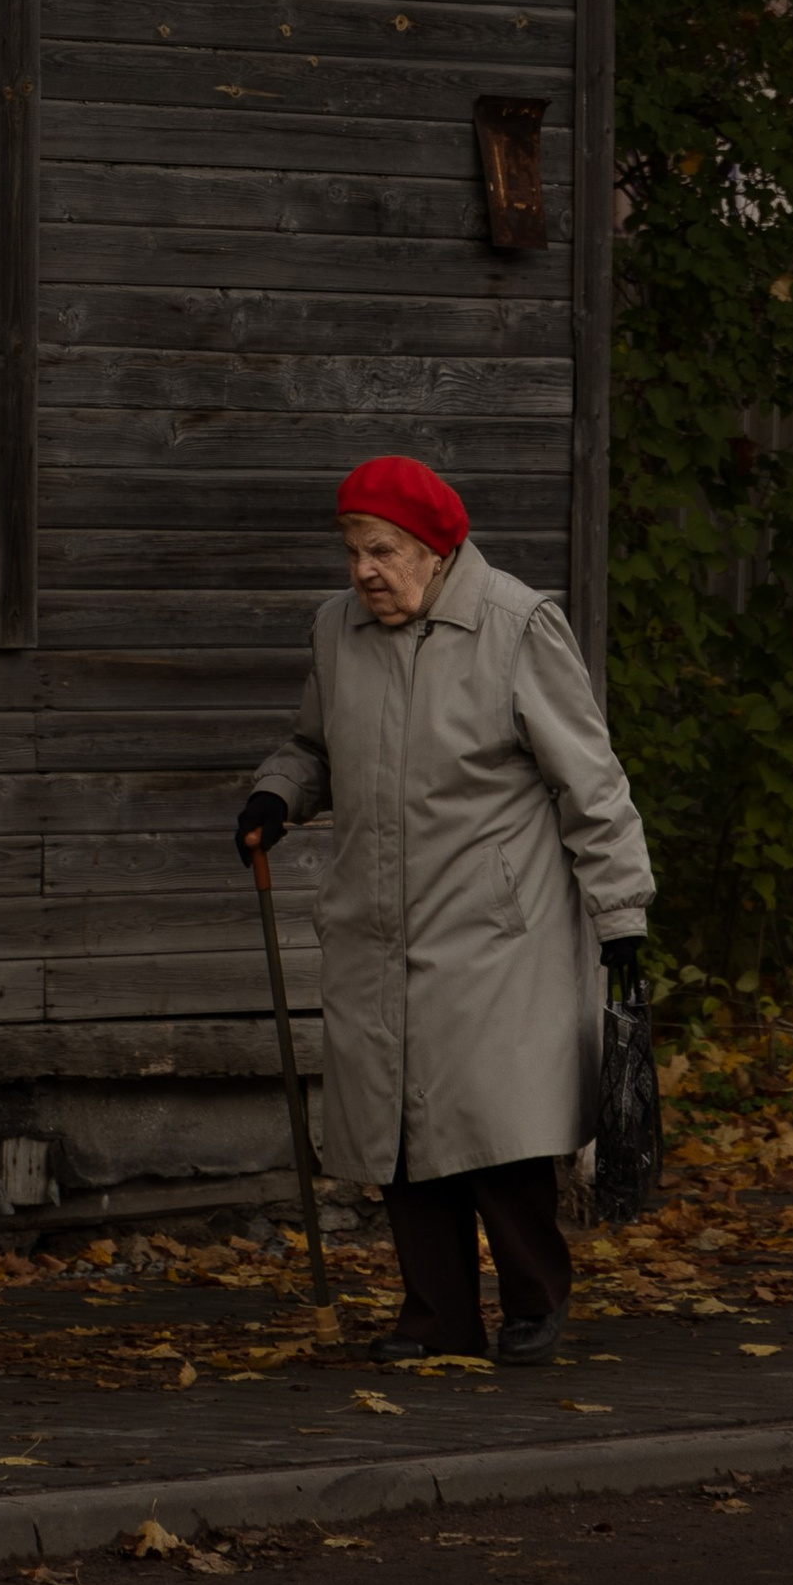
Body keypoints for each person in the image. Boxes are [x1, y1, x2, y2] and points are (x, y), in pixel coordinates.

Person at [235, 454, 652, 1366]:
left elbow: (592, 783)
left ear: (433, 549)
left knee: (492, 1130)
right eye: (352, 552)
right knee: (396, 1135)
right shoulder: (337, 632)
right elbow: (312, 745)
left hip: (498, 927)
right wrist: (278, 794)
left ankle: (534, 1303)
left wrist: (621, 918)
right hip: (378, 922)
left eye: (380, 551)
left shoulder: (516, 626)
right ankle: (434, 1321)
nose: (363, 572)